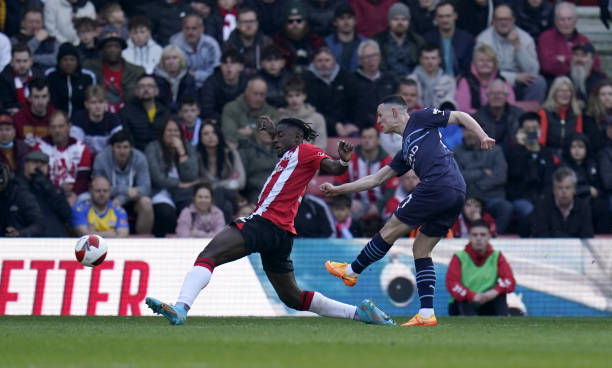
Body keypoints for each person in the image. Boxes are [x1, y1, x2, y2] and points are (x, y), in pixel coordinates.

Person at [146, 115, 395, 327]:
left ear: (297, 138)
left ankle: (181, 308)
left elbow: (332, 166)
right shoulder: (290, 155)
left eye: (280, 136)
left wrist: (342, 161)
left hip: (264, 223)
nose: (275, 140)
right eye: (275, 136)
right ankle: (359, 313)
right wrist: (273, 128)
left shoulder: (305, 150)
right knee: (292, 297)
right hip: (281, 235)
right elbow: (286, 137)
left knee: (208, 256)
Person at [321, 96, 495, 326]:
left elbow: (460, 115)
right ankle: (426, 314)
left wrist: (482, 136)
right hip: (455, 192)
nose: (378, 121)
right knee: (421, 248)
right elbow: (378, 178)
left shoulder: (420, 118)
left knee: (391, 228)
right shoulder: (405, 149)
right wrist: (338, 189)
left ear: (394, 111)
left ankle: (352, 271)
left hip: (438, 184)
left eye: (380, 115)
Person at [476, 4, 546, 102]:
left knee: (538, 82)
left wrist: (518, 47)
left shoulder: (525, 38)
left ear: (513, 20)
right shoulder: (484, 40)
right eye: (500, 19)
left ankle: (529, 115)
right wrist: (514, 77)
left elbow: (533, 71)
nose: (504, 23)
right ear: (493, 21)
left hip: (522, 82)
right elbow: (483, 70)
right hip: (494, 80)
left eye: (507, 19)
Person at [446, 219, 516, 316]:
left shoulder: (497, 256)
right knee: (462, 300)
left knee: (500, 296)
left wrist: (494, 292)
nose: (478, 238)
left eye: (483, 235)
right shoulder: (459, 257)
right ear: (469, 237)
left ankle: (503, 324)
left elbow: (509, 280)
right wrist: (472, 296)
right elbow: (451, 283)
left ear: (489, 237)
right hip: (464, 302)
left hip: (488, 300)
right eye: (475, 235)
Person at [145, 117, 201, 237]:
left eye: (176, 131)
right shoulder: (153, 148)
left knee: (188, 209)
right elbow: (157, 178)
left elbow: (191, 176)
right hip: (161, 192)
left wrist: (181, 151)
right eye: (169, 130)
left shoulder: (188, 148)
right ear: (163, 133)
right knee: (166, 213)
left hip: (183, 192)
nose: (173, 134)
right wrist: (178, 184)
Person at [506, 112, 558, 237]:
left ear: (540, 130)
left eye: (534, 129)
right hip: (521, 198)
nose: (531, 132)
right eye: (527, 129)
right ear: (521, 131)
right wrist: (521, 148)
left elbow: (549, 180)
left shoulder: (547, 153)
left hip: (542, 197)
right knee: (531, 212)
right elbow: (515, 173)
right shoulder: (514, 152)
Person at [93, 130, 154, 235]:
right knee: (87, 198)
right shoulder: (101, 159)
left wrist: (122, 198)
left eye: (125, 147)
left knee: (146, 203)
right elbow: (98, 187)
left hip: (133, 199)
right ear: (112, 148)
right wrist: (125, 190)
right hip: (108, 199)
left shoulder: (140, 158)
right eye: (118, 147)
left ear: (131, 148)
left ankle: (143, 240)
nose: (122, 151)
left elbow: (146, 187)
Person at [454, 127, 513, 234]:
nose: (469, 134)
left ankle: (493, 238)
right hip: (468, 199)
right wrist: (482, 172)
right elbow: (457, 176)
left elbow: (500, 176)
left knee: (506, 208)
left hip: (491, 197)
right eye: (466, 130)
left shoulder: (495, 150)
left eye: (472, 130)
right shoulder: (456, 152)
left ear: (481, 132)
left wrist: (476, 184)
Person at [334, 126, 396, 219]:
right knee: (346, 213)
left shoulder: (386, 160)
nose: (367, 141)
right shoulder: (350, 158)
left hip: (381, 204)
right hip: (356, 203)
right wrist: (350, 201)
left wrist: (378, 205)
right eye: (364, 137)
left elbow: (391, 189)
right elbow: (338, 182)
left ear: (378, 140)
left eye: (370, 137)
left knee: (392, 214)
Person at [34, 110, 92, 205]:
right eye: (53, 127)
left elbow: (83, 179)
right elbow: (39, 177)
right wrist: (57, 189)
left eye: (61, 126)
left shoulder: (81, 148)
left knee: (86, 197)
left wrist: (74, 193)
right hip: (49, 193)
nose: (57, 130)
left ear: (69, 127)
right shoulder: (40, 147)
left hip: (74, 194)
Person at [83, 29, 146, 113]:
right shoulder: (90, 67)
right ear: (102, 49)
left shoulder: (136, 72)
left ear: (121, 49)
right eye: (109, 46)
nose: (113, 49)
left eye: (116, 46)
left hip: (128, 114)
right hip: (99, 114)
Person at [196, 120, 245, 221]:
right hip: (205, 198)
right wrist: (226, 183)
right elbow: (197, 182)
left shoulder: (231, 154)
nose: (210, 136)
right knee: (227, 207)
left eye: (214, 133)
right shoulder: (197, 157)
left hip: (231, 195)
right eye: (206, 134)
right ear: (200, 138)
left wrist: (216, 186)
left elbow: (240, 182)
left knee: (220, 191)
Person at [537, 2, 601, 80]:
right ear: (555, 21)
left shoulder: (583, 39)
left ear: (576, 21)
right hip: (556, 81)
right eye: (562, 19)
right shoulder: (546, 38)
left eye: (569, 19)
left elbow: (596, 63)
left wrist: (564, 58)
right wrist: (579, 62)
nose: (566, 23)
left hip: (583, 79)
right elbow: (548, 66)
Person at [302, 47, 355, 137]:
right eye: (320, 60)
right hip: (316, 125)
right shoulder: (306, 80)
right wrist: (335, 125)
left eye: (327, 60)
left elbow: (355, 102)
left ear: (334, 61)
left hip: (345, 124)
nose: (323, 64)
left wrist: (354, 124)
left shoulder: (346, 77)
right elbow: (311, 108)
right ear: (313, 62)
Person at [561, 134, 609, 233]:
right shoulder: (563, 166)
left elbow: (601, 186)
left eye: (580, 147)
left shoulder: (593, 163)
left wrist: (596, 192)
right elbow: (563, 188)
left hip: (592, 201)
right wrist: (587, 189)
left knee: (602, 206)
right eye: (573, 147)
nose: (577, 150)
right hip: (573, 201)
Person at [18, 149, 72, 237]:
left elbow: (66, 213)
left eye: (43, 164)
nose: (39, 166)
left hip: (55, 237)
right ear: (25, 165)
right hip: (29, 237)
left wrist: (47, 187)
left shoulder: (52, 188)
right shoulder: (17, 185)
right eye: (34, 162)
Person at [532, 166, 594, 238]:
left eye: (567, 188)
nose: (564, 191)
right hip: (550, 248)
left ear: (574, 189)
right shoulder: (542, 206)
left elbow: (587, 236)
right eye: (560, 188)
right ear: (554, 190)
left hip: (575, 248)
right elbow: (541, 236)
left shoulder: (583, 207)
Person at [456, 44, 516, 114]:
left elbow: (511, 106)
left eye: (489, 61)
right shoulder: (465, 81)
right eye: (481, 61)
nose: (485, 63)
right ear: (474, 63)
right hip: (473, 122)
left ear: (494, 64)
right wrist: (484, 116)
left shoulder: (502, 81)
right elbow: (463, 110)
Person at [352, 39, 398, 131]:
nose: (371, 60)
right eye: (367, 57)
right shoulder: (352, 80)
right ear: (360, 60)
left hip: (387, 128)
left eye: (374, 55)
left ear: (379, 57)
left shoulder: (390, 79)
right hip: (360, 129)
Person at [221, 75, 277, 147]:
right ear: (246, 92)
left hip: (265, 155)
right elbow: (229, 135)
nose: (258, 98)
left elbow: (272, 137)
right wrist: (258, 134)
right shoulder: (230, 108)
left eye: (262, 94)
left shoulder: (271, 112)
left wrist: (249, 133)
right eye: (255, 94)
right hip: (240, 152)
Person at [120, 74, 171, 151]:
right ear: (136, 91)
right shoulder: (126, 112)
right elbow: (126, 139)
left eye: (150, 86)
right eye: (142, 86)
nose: (146, 89)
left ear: (156, 91)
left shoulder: (165, 112)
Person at [424, 0, 475, 78]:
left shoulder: (467, 39)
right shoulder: (428, 39)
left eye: (448, 16)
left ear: (455, 16)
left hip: (462, 83)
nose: (445, 20)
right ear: (436, 18)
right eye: (441, 16)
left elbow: (470, 67)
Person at [170, 14, 222, 89]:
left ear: (202, 29)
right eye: (187, 28)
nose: (190, 32)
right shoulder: (175, 44)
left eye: (194, 28)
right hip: (183, 86)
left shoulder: (211, 44)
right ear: (182, 29)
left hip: (209, 85)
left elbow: (216, 73)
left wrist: (194, 74)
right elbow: (176, 72)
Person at [373, 2, 424, 77]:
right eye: (396, 19)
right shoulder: (378, 41)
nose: (400, 23)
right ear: (389, 21)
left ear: (409, 22)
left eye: (404, 19)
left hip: (412, 84)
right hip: (386, 84)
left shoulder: (417, 41)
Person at [272, 0, 324, 73]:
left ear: (306, 22)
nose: (295, 24)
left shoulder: (315, 40)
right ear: (284, 24)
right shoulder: (277, 41)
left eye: (299, 21)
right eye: (290, 21)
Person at [45, 42, 95, 118]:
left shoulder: (88, 77)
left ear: (77, 61)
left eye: (72, 60)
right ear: (59, 61)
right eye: (65, 60)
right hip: (55, 121)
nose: (69, 63)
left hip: (81, 121)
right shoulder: (50, 76)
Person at [537, 76, 583, 156]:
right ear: (554, 93)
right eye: (561, 91)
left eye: (568, 91)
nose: (564, 94)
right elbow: (541, 141)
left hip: (570, 155)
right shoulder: (544, 112)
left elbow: (578, 139)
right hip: (549, 154)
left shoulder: (577, 113)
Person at [278, 75, 327, 150]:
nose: (294, 100)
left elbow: (321, 145)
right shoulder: (281, 119)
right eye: (290, 96)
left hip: (311, 159)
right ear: (285, 98)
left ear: (304, 96)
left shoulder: (317, 118)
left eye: (297, 95)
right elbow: (279, 146)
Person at [70, 85, 123, 155]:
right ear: (86, 104)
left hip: (106, 160)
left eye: (101, 102)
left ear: (106, 103)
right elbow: (75, 146)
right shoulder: (78, 119)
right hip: (84, 158)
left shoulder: (113, 120)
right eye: (93, 102)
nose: (98, 106)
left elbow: (118, 146)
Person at [473, 79, 523, 151]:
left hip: (513, 154)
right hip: (488, 155)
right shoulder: (478, 117)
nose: (496, 96)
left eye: (500, 93)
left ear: (506, 96)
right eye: (492, 93)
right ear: (487, 96)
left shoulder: (518, 114)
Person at [200, 47, 248, 121]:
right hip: (218, 122)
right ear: (221, 66)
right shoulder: (211, 83)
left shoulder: (248, 83)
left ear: (241, 67)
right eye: (225, 63)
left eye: (233, 62)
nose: (228, 66)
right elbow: (207, 110)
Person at [225, 6, 272, 75]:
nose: (249, 25)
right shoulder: (229, 45)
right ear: (237, 25)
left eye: (252, 21)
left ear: (257, 23)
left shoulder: (267, 43)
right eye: (245, 22)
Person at [0, 162, 44, 237]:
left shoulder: (21, 195)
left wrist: (19, 233)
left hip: (19, 244)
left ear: (7, 175)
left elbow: (39, 225)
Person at [408, 44, 456, 110]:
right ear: (420, 60)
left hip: (440, 118)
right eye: (426, 58)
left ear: (439, 60)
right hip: (416, 117)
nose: (430, 62)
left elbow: (450, 106)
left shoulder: (449, 81)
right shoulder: (411, 80)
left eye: (433, 58)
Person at [0, 44, 44, 114]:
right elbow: (8, 105)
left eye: (25, 61)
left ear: (31, 62)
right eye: (18, 61)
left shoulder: (39, 75)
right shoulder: (4, 78)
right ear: (11, 62)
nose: (22, 65)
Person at [153, 45, 198, 113]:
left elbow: (191, 101)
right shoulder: (154, 80)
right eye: (167, 58)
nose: (171, 62)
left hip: (184, 115)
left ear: (181, 60)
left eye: (175, 58)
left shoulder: (189, 79)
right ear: (162, 62)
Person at [324, 3, 366, 73]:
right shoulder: (326, 44)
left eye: (349, 17)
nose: (346, 22)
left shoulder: (365, 43)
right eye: (341, 18)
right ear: (335, 22)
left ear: (355, 21)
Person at [13, 78, 55, 144]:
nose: (40, 102)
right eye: (36, 97)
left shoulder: (56, 118)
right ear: (29, 98)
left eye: (44, 96)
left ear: (49, 97)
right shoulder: (17, 119)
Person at [256, 44, 293, 109]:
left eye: (276, 60)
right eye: (269, 60)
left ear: (283, 63)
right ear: (261, 63)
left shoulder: (290, 79)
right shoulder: (256, 80)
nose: (272, 64)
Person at [585, 80, 612, 154]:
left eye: (610, 94)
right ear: (597, 97)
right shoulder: (590, 117)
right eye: (603, 94)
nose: (607, 97)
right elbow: (593, 143)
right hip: (599, 155)